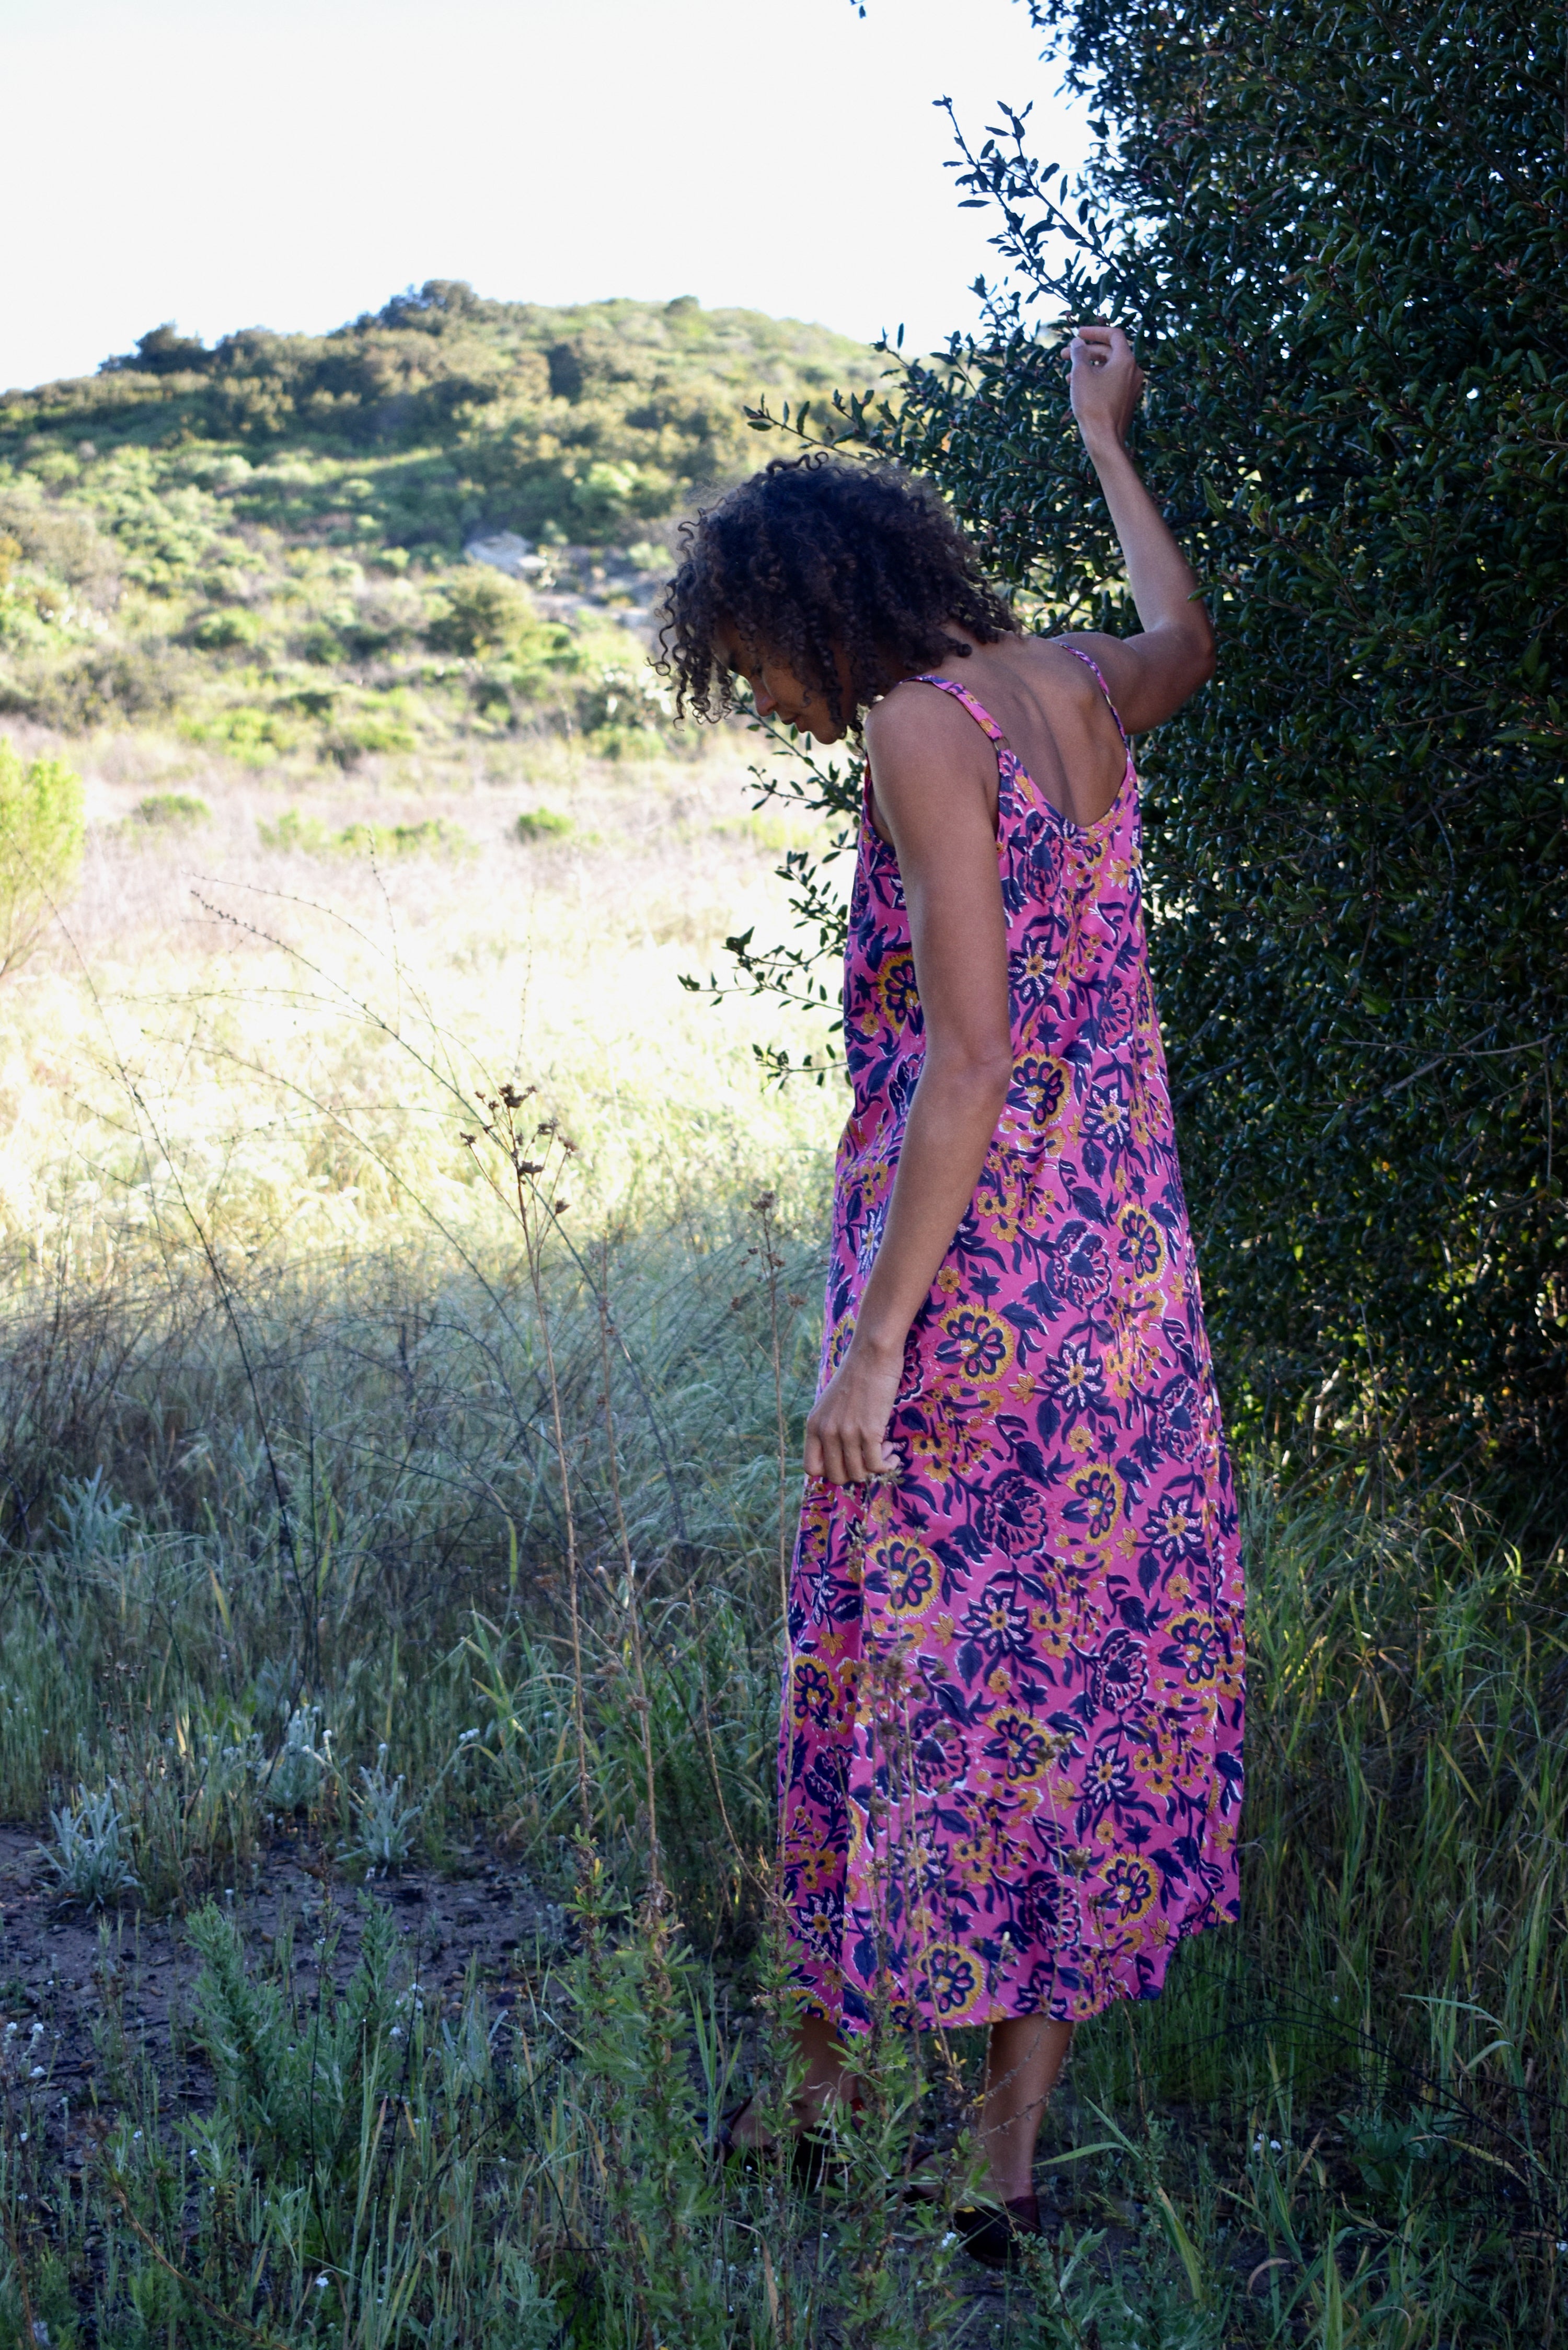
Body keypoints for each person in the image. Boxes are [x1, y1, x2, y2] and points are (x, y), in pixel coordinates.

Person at [659, 324, 1244, 2264]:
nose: (762, 697)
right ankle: (988, 2159)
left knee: (884, 1660)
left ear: (817, 613)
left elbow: (968, 1062)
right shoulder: (1068, 683)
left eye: (752, 660)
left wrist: (876, 1335)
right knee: (1056, 1693)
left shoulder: (922, 724)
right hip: (1125, 1287)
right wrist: (1108, 439)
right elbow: (1186, 635)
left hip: (978, 1293)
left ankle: (828, 2097)